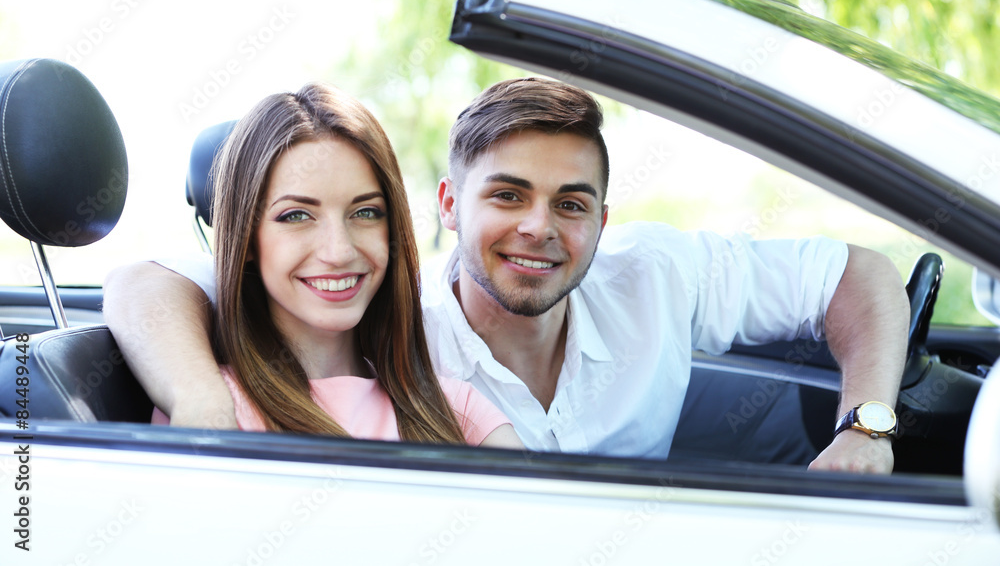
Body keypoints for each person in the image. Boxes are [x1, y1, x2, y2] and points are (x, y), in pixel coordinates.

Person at [104, 78, 908, 473]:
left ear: (602, 215)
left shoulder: (656, 273)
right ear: (450, 203)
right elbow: (144, 283)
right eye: (508, 194)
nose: (537, 227)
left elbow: (860, 276)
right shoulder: (398, 326)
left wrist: (866, 428)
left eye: (570, 202)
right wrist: (205, 411)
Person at [143, 82, 521, 447]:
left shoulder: (459, 412)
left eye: (366, 212)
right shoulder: (210, 409)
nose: (338, 252)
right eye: (296, 216)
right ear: (247, 239)